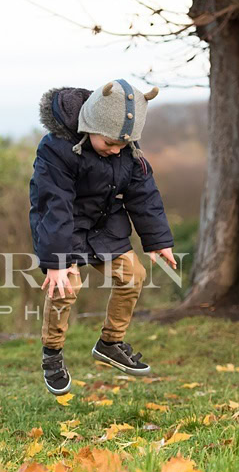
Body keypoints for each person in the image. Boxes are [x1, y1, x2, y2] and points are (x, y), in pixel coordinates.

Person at [28, 79, 176, 395]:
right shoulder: (56, 149)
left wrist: (158, 239)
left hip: (104, 226)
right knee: (66, 286)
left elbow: (143, 192)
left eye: (122, 146)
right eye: (109, 144)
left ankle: (111, 342)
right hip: (62, 227)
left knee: (133, 275)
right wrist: (56, 262)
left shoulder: (125, 148)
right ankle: (52, 353)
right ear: (90, 125)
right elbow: (53, 205)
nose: (116, 151)